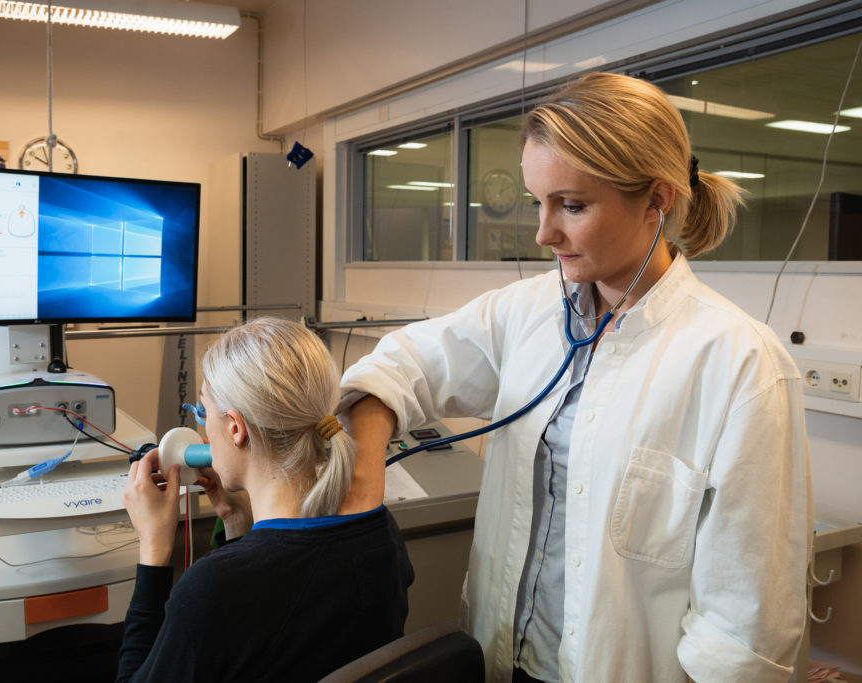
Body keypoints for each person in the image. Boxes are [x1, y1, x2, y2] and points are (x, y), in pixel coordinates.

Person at [339, 72, 811, 683]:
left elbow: (745, 632)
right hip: (502, 658)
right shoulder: (529, 311)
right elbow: (399, 365)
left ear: (657, 200)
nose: (543, 232)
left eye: (573, 205)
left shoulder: (739, 363)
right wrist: (361, 487)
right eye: (540, 202)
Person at [117, 317, 415, 682]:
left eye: (203, 411)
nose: (202, 429)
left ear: (235, 428)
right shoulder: (381, 535)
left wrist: (153, 550)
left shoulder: (211, 589)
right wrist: (236, 520)